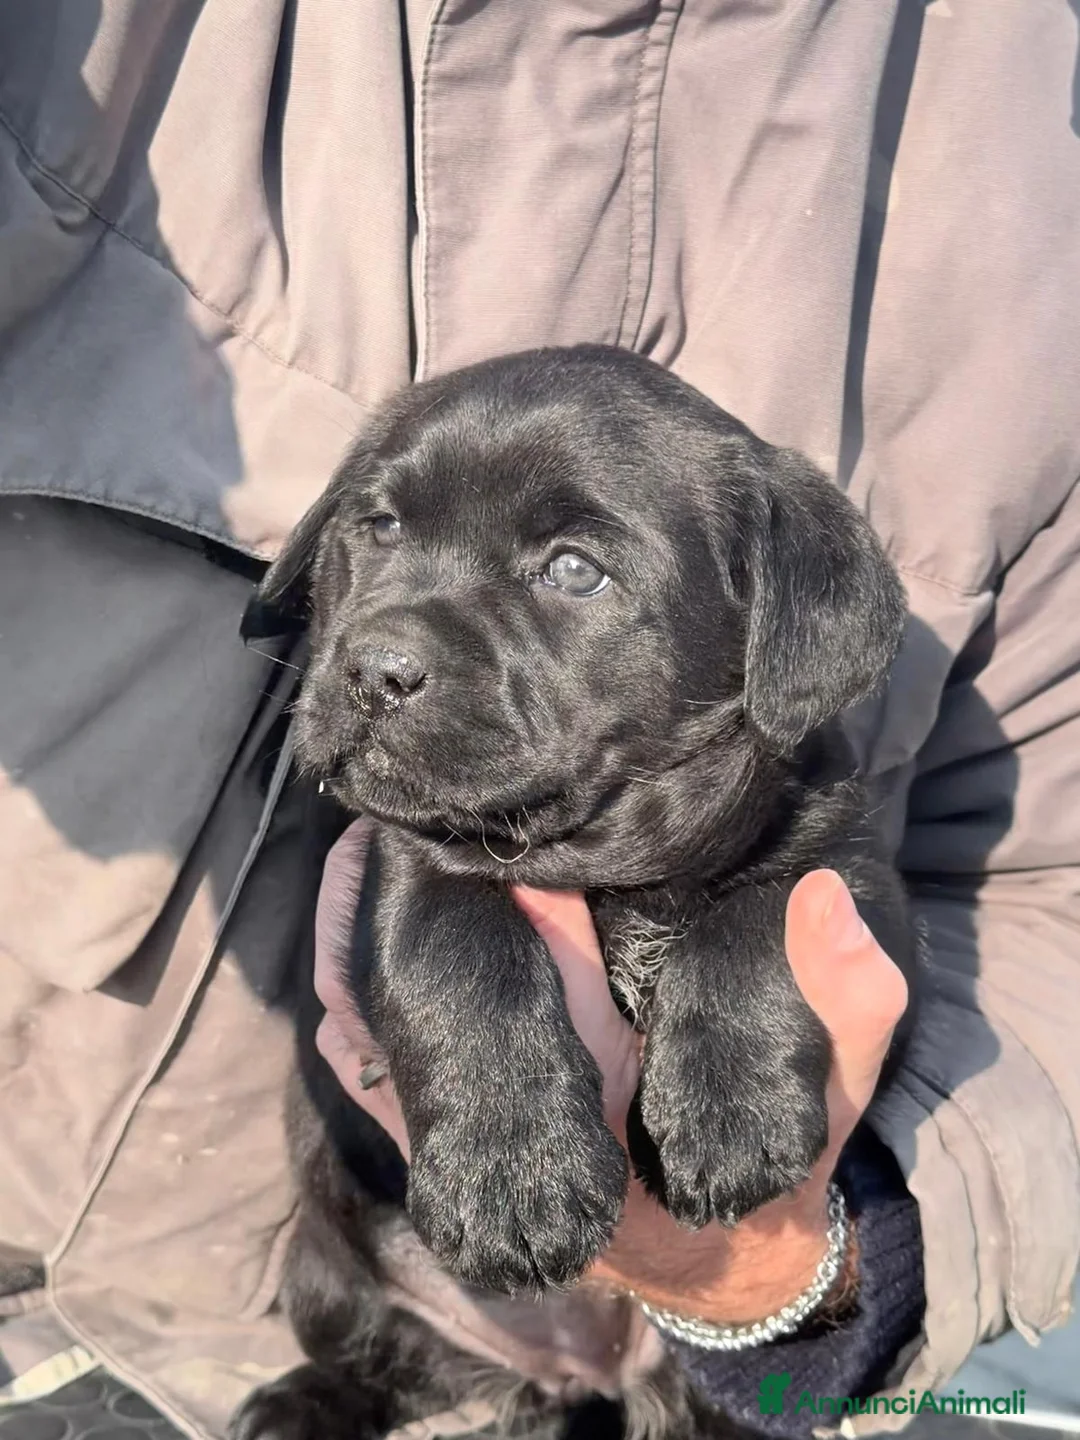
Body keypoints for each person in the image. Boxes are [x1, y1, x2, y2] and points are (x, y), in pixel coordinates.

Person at [0, 3, 1077, 1438]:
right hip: (152, 1293)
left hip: (727, 1358)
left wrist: (767, 1285)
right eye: (380, 529)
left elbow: (1024, 893)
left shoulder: (1007, 182)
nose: (385, 642)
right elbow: (428, 917)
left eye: (573, 571)